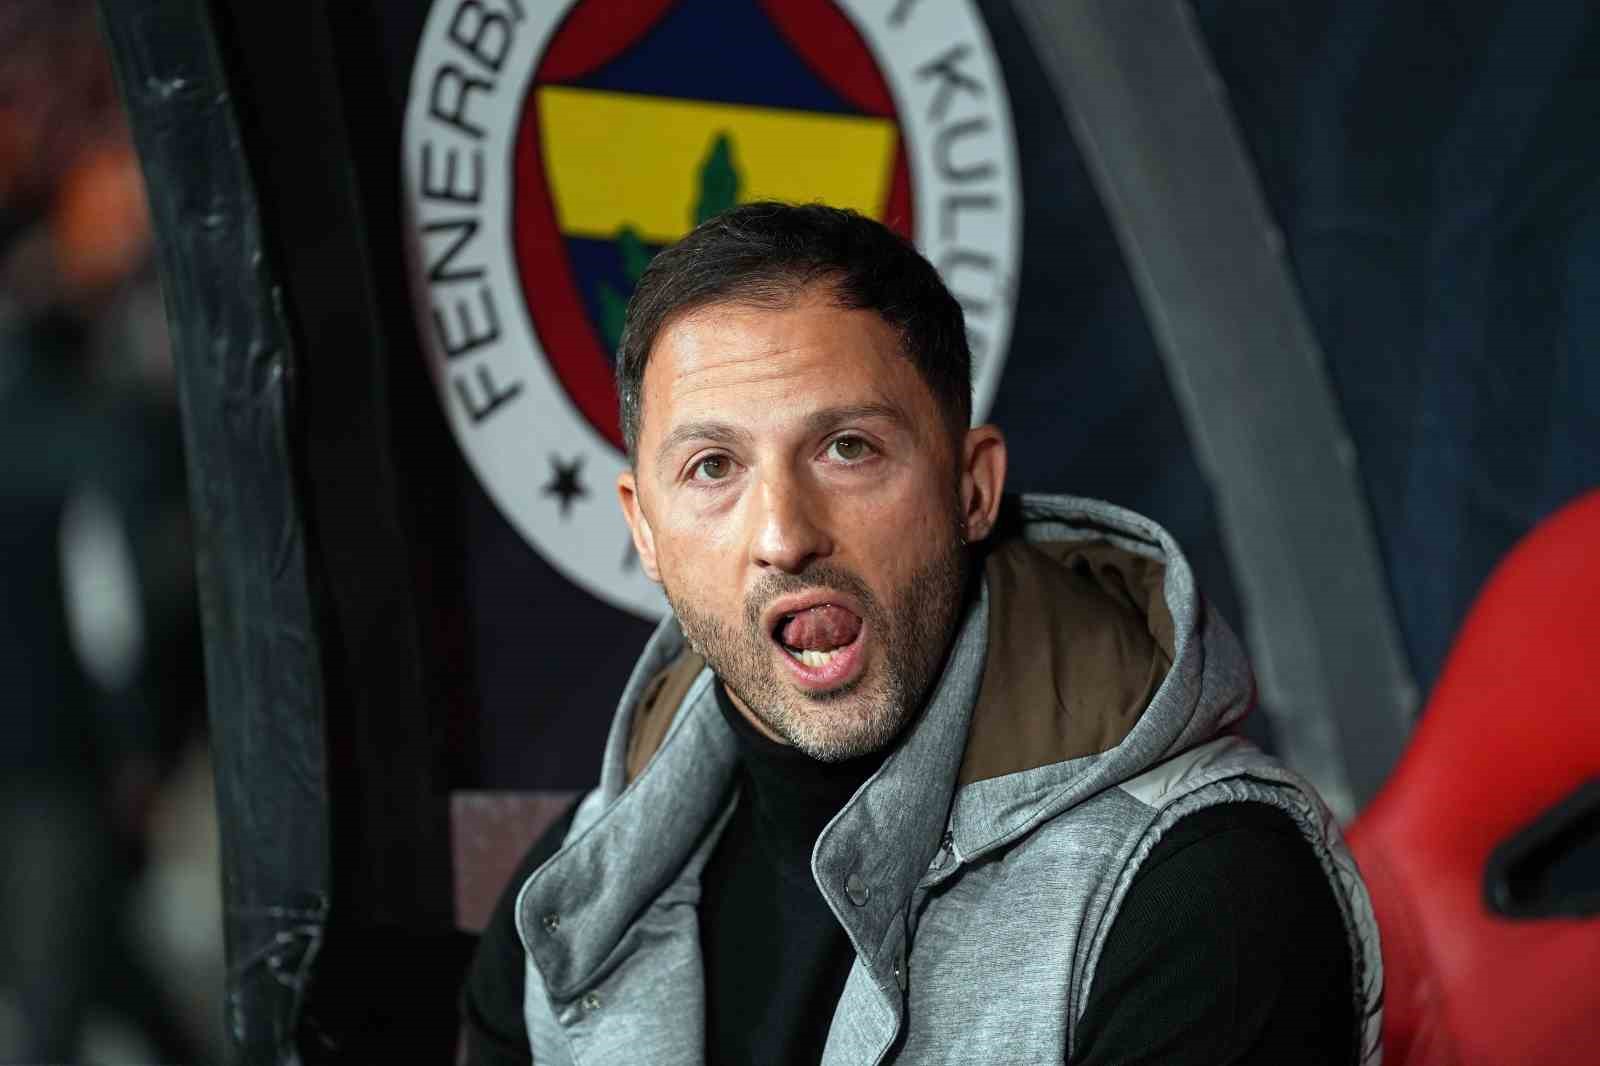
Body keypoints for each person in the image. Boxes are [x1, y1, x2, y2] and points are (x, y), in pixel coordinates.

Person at [462, 202, 1382, 1065]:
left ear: (972, 488)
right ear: (645, 530)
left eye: (847, 448)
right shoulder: (572, 900)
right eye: (712, 467)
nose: (784, 534)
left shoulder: (1207, 884)